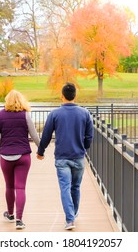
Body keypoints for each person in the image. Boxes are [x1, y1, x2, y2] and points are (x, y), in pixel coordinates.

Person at [36, 83, 93, 230]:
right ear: (75, 95)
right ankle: (72, 213)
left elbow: (46, 135)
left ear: (62, 96)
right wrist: (84, 147)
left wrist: (40, 151)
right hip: (78, 156)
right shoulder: (85, 113)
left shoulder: (55, 114)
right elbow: (89, 136)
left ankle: (70, 219)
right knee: (76, 187)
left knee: (65, 187)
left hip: (62, 157)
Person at [0, 90, 40, 230]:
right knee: (20, 187)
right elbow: (35, 135)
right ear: (21, 101)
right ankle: (19, 220)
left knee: (9, 186)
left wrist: (4, 146)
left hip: (6, 156)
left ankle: (10, 214)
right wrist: (41, 150)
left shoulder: (0, 115)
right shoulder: (25, 115)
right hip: (23, 156)